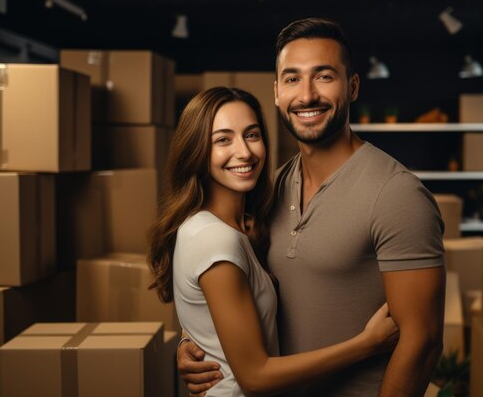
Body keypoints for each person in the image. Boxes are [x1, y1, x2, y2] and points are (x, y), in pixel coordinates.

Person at [178, 18, 446, 397]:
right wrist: (194, 341)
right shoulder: (271, 187)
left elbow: (423, 342)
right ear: (276, 92)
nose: (306, 95)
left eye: (323, 76)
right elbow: (234, 287)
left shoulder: (396, 195)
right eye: (292, 78)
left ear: (352, 86)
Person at [147, 86, 399, 397]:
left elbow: (206, 314)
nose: (245, 152)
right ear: (196, 151)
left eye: (252, 135)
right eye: (223, 140)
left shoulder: (234, 225)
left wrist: (192, 339)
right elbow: (254, 377)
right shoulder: (216, 239)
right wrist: (366, 344)